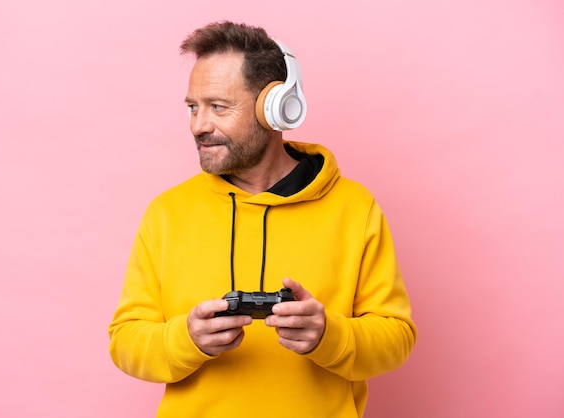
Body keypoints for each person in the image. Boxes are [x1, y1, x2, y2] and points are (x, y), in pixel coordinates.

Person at [109, 20, 417, 418]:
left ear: (275, 107)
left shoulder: (355, 208)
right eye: (193, 107)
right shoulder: (166, 213)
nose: (198, 125)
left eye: (218, 106)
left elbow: (397, 339)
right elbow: (125, 342)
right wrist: (185, 339)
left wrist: (330, 335)